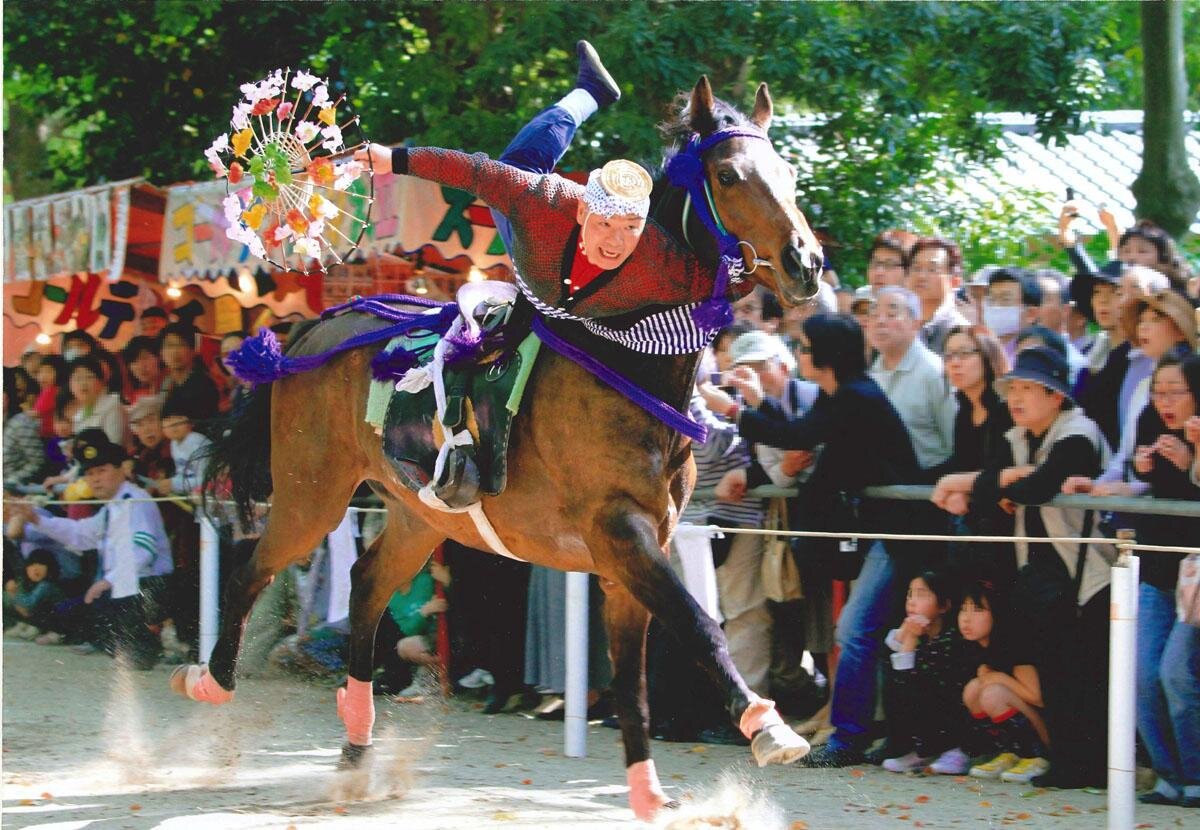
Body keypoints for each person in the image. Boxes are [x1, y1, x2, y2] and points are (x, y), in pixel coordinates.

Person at [726, 313, 920, 766]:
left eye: (806, 348)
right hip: (876, 530)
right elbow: (803, 440)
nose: (800, 356)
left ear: (827, 355)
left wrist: (737, 413)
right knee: (863, 631)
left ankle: (849, 739)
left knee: (854, 629)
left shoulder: (856, 397)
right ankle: (871, 735)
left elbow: (798, 436)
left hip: (898, 532)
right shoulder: (843, 396)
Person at [935, 347, 1115, 788]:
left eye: (1029, 389)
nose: (1016, 398)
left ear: (1056, 396)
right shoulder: (1016, 438)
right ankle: (1066, 761)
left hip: (1088, 573)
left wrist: (983, 482)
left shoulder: (1078, 433)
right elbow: (990, 495)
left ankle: (1094, 766)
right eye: (1013, 389)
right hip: (1038, 574)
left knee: (1085, 673)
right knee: (1054, 670)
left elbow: (1041, 485)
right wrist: (1001, 481)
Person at [5, 429, 173, 669]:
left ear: (121, 470)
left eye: (102, 471)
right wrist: (36, 519)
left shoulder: (134, 501)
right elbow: (81, 535)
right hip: (126, 586)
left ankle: (146, 646)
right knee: (69, 613)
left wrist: (108, 581)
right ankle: (136, 647)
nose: (95, 479)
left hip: (148, 584)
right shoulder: (111, 507)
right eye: (90, 473)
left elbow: (143, 551)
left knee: (102, 609)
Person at [880, 570, 976, 775]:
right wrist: (907, 633)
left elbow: (907, 678)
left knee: (908, 684)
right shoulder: (920, 632)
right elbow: (891, 649)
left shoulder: (950, 640)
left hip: (954, 716)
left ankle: (954, 751)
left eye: (922, 595)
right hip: (929, 716)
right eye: (910, 594)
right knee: (891, 676)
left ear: (944, 605)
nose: (912, 602)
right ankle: (923, 752)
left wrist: (911, 639)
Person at [957, 578, 1049, 784]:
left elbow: (1036, 697)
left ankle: (1035, 756)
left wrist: (999, 677)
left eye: (978, 610)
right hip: (1020, 719)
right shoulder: (976, 645)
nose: (966, 619)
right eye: (964, 609)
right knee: (973, 690)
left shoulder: (1013, 642)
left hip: (1045, 730)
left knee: (992, 693)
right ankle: (1008, 752)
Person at [867, 286, 957, 471]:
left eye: (892, 314)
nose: (880, 322)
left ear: (916, 323)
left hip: (927, 485)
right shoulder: (870, 375)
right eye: (874, 315)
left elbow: (955, 441)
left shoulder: (935, 371)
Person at [905, 236, 969, 354]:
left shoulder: (961, 332)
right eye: (916, 268)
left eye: (932, 269)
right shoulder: (900, 326)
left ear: (954, 281)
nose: (921, 276)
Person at [158, 322, 220, 425]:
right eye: (169, 345)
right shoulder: (168, 384)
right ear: (161, 352)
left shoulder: (203, 385)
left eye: (181, 344)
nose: (174, 351)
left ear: (193, 350)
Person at [3, 549, 66, 640]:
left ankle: (39, 628)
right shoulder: (30, 583)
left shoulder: (46, 585)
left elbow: (29, 603)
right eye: (31, 565)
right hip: (37, 616)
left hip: (57, 620)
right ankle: (24, 625)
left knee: (41, 606)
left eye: (41, 564)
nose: (35, 569)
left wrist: (13, 594)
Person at [67, 355, 128, 447]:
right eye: (77, 378)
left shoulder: (112, 406)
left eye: (89, 377)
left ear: (101, 382)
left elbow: (114, 445)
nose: (83, 383)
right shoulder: (78, 415)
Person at [122, 335, 164, 405]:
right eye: (134, 361)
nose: (141, 366)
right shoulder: (135, 397)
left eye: (144, 358)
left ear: (158, 357)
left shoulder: (171, 383)